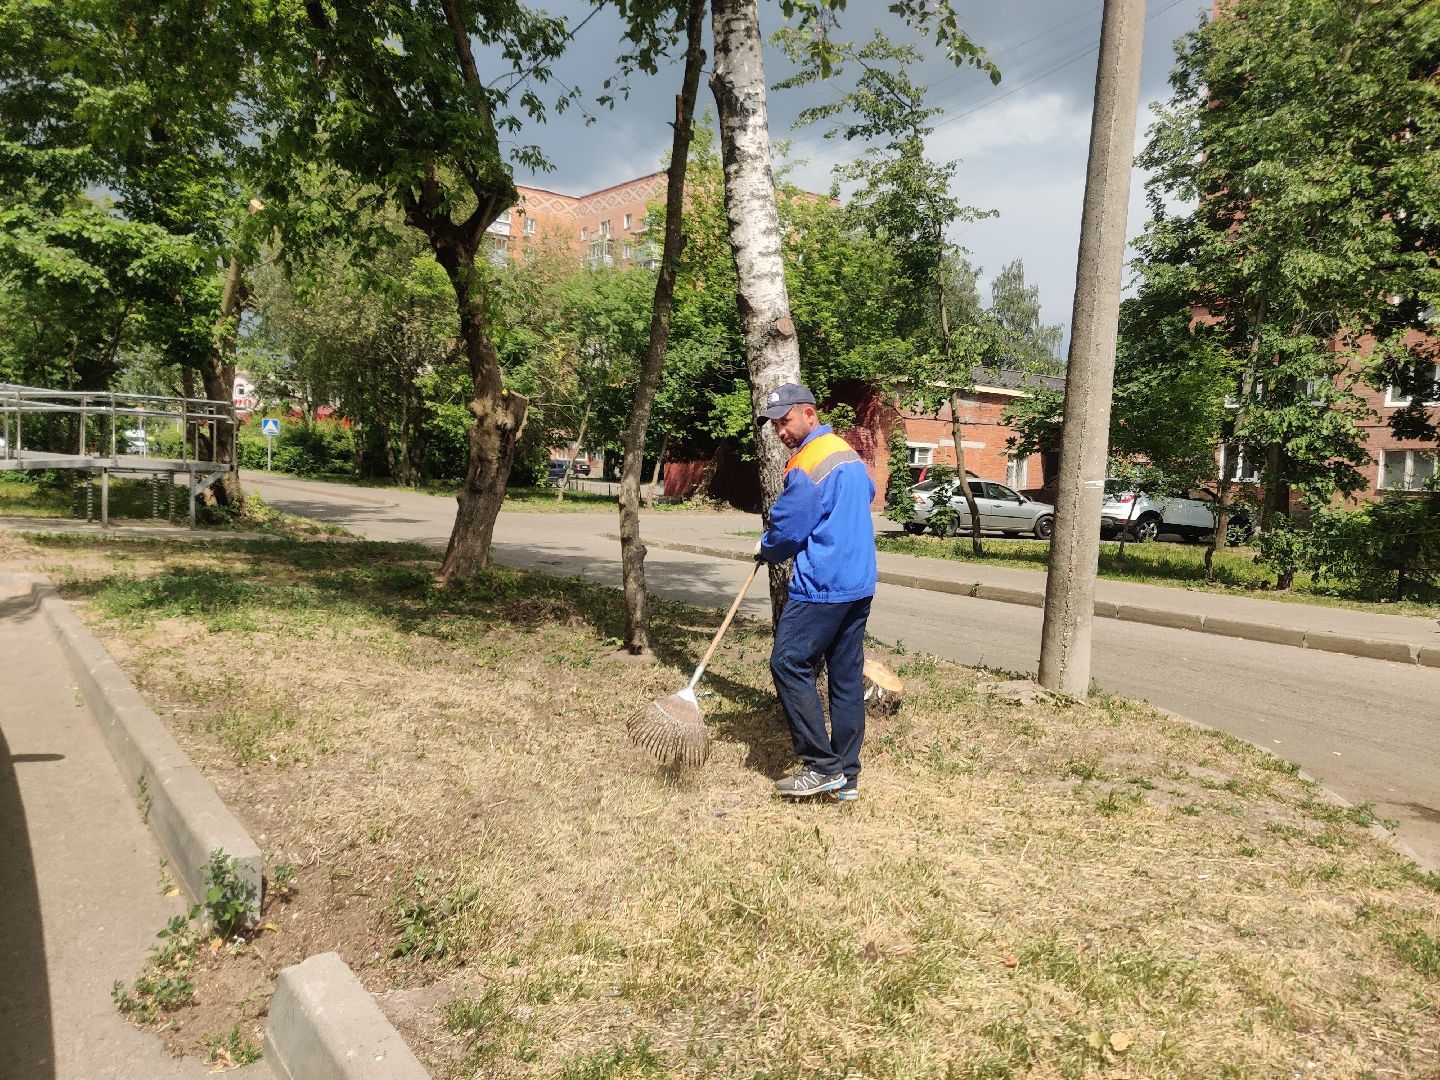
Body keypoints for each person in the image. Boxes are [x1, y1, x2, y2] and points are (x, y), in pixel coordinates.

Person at [754, 383, 877, 801]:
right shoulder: (849, 455)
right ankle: (847, 776)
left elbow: (788, 530)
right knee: (844, 679)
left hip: (823, 585)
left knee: (787, 662)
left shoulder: (805, 463)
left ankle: (820, 766)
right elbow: (869, 495)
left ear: (809, 413)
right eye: (774, 425)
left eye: (784, 421)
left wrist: (766, 547)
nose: (779, 431)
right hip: (859, 583)